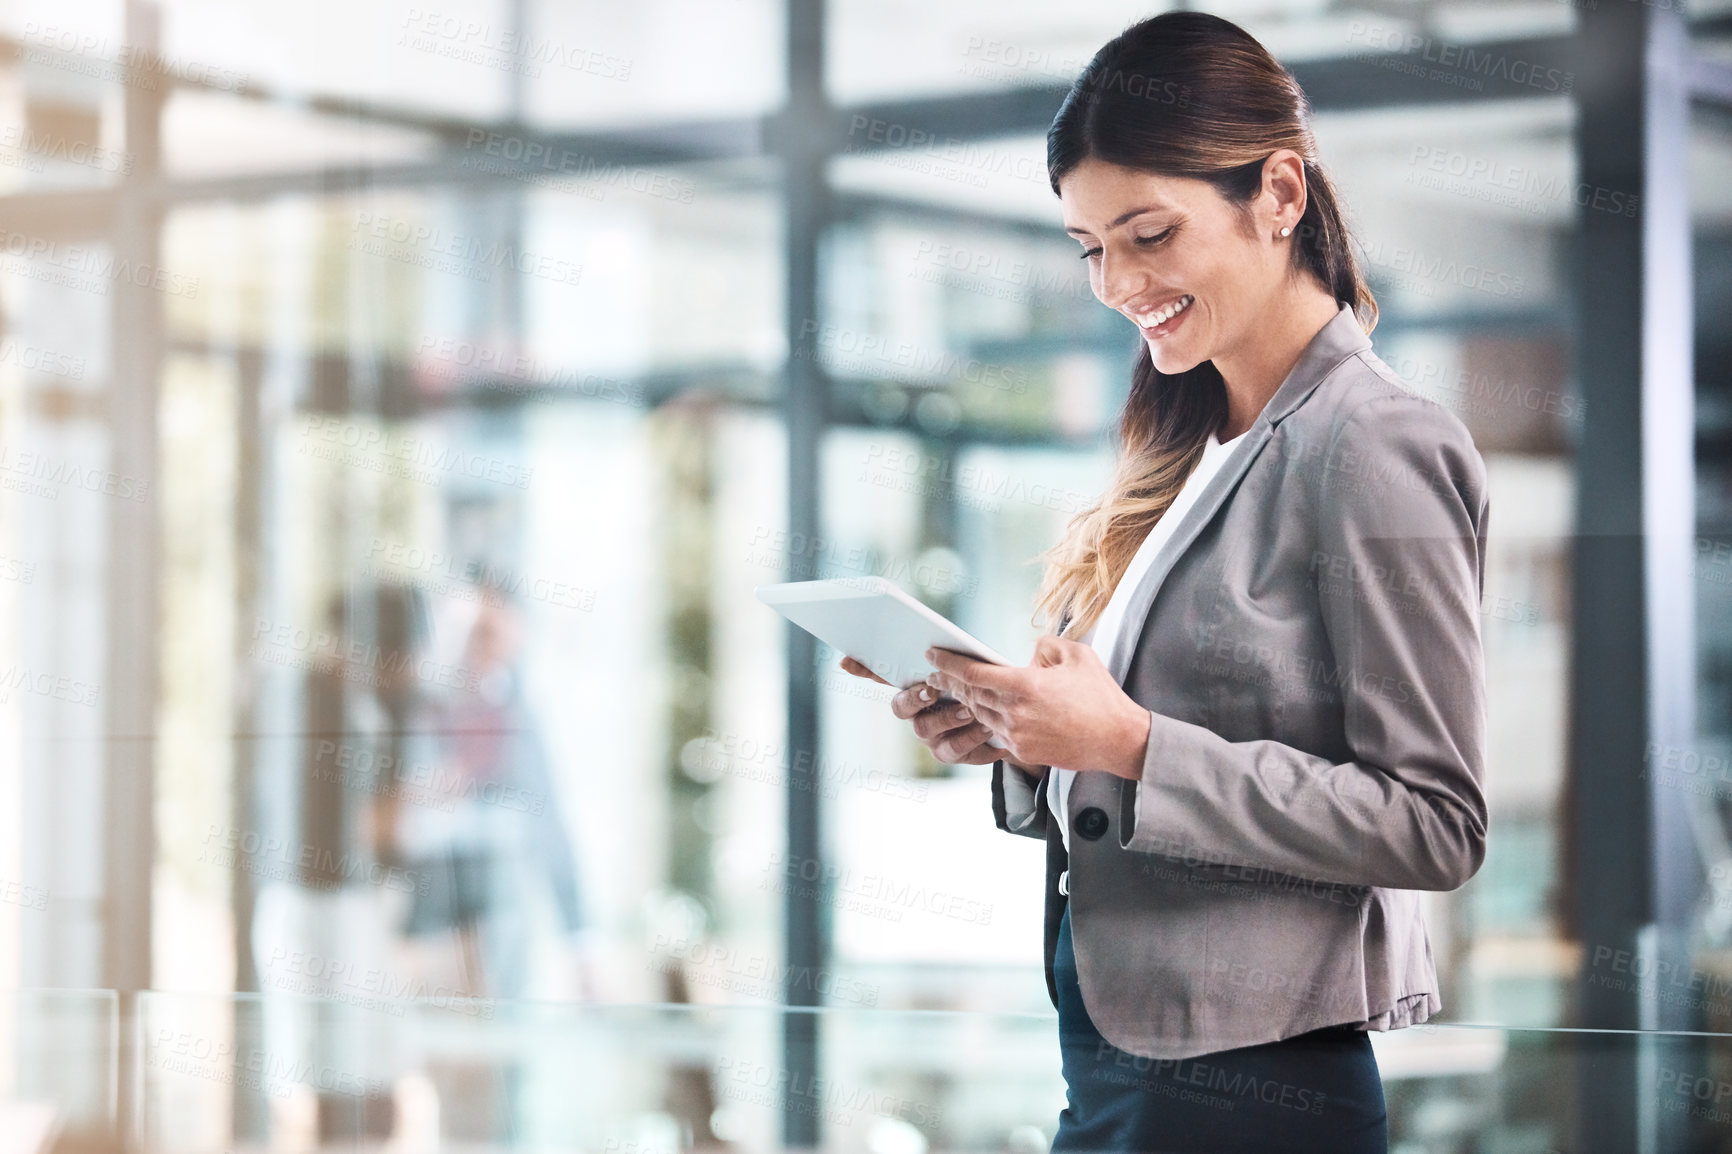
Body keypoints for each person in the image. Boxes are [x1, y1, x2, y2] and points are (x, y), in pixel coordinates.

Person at [842, 12, 1488, 1154]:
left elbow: (1432, 821)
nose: (1116, 284)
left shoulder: (1375, 442)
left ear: (1278, 193)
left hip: (1247, 1086)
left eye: (1147, 234)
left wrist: (1129, 741)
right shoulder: (1189, 448)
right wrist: (1021, 729)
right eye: (1091, 248)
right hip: (1116, 1057)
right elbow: (1137, 759)